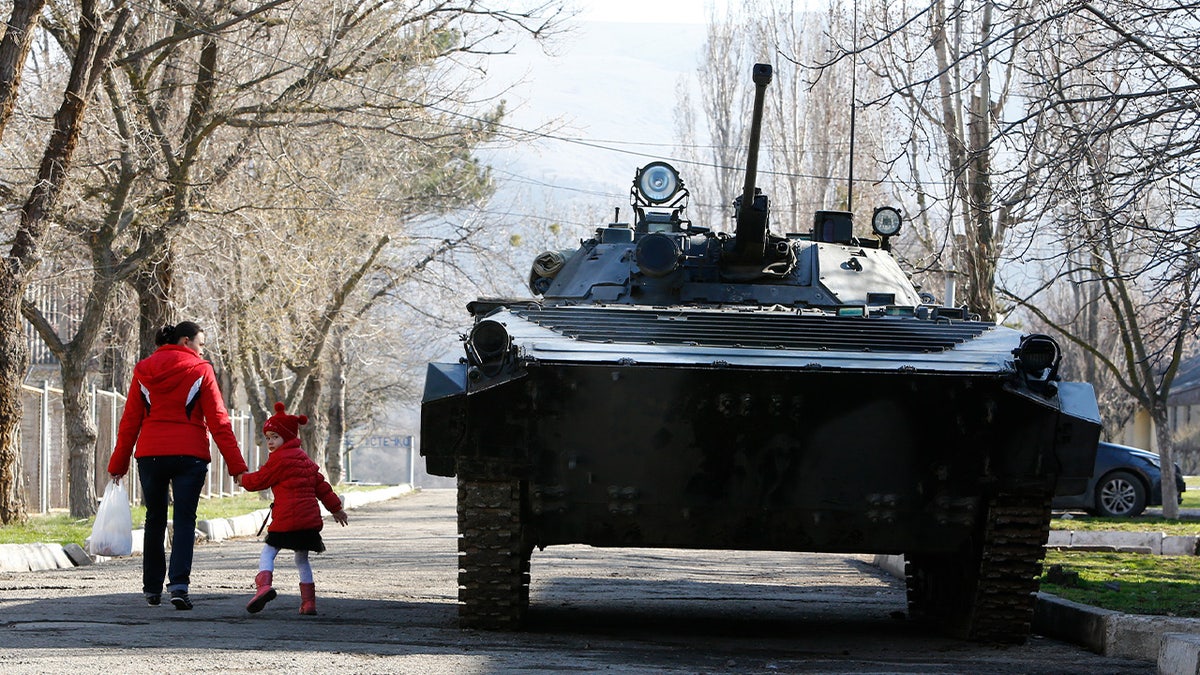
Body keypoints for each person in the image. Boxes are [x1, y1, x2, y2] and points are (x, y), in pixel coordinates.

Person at [108, 321, 248, 610]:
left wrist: (118, 463)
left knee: (154, 519)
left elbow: (130, 421)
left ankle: (151, 588)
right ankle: (179, 586)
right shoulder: (200, 369)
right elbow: (219, 422)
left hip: (151, 455)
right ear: (186, 341)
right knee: (185, 520)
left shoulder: (144, 370)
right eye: (200, 342)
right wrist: (237, 466)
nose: (202, 348)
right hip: (190, 455)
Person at [241, 402, 348, 615]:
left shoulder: (279, 460)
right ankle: (309, 603)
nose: (270, 442)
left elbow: (259, 480)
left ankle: (263, 587)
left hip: (286, 520)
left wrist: (242, 478)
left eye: (275, 437)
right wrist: (336, 509)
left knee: (268, 553)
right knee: (301, 559)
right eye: (268, 437)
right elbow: (323, 487)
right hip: (308, 523)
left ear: (288, 437)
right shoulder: (306, 461)